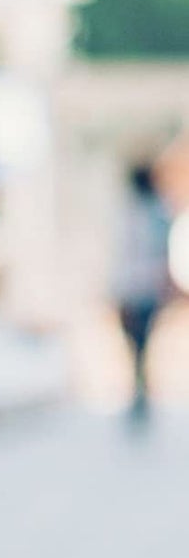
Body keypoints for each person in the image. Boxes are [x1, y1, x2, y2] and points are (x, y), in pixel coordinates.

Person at [112, 160, 174, 426]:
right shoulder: (154, 214)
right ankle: (139, 391)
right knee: (139, 344)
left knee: (138, 345)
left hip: (136, 289)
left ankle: (139, 392)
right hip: (142, 289)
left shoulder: (135, 214)